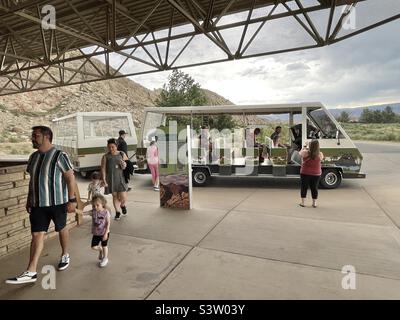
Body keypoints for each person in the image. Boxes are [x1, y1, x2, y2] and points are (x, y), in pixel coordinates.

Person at [6, 126, 77, 285]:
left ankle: (65, 254)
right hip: (38, 204)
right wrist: (29, 199)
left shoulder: (60, 155)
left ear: (46, 137)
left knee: (61, 228)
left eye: (35, 135)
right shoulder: (33, 157)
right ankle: (31, 271)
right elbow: (34, 181)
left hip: (58, 203)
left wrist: (72, 200)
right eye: (33, 135)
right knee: (37, 235)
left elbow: (70, 178)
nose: (32, 138)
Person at [101, 138, 129, 221]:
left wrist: (124, 164)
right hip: (111, 179)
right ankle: (117, 212)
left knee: (123, 197)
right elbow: (103, 169)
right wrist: (104, 180)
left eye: (113, 147)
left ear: (116, 146)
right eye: (109, 147)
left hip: (121, 178)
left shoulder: (121, 153)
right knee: (115, 196)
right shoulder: (105, 156)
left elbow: (128, 164)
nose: (111, 149)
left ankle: (123, 205)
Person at [299, 140, 324, 208]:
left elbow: (300, 153)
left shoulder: (305, 152)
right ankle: (314, 203)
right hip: (316, 174)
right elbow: (320, 158)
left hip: (305, 172)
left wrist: (305, 146)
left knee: (304, 187)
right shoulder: (320, 154)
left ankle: (303, 203)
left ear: (310, 146)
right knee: (314, 188)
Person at [90, 194, 111, 268]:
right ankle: (100, 250)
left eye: (97, 205)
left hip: (104, 233)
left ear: (102, 204)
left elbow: (108, 223)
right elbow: (83, 213)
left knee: (104, 245)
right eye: (93, 205)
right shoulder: (93, 211)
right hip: (96, 233)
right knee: (93, 246)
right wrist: (75, 210)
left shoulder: (106, 212)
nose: (95, 207)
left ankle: (105, 258)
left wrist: (106, 234)